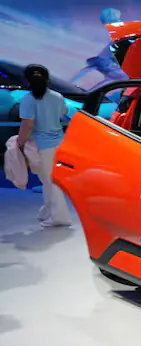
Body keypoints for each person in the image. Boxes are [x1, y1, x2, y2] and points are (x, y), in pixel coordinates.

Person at [17, 64, 72, 228]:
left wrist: (20, 143)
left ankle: (60, 217)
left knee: (49, 181)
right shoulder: (57, 96)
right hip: (59, 143)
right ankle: (48, 211)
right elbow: (64, 112)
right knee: (50, 180)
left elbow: (27, 124)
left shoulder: (27, 99)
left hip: (41, 146)